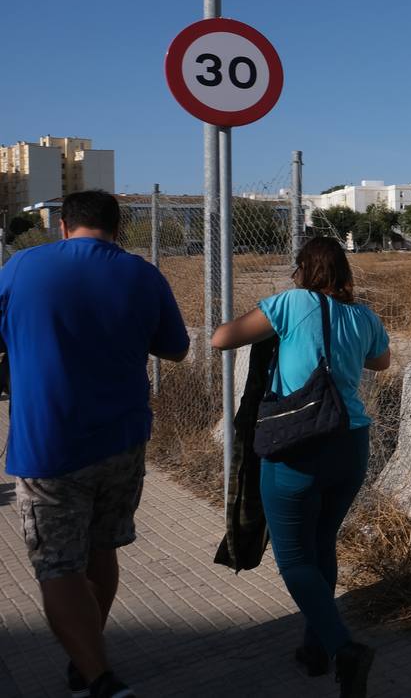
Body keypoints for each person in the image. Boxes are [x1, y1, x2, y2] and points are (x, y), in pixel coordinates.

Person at [0, 190, 190, 698]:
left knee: (58, 563)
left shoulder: (22, 267)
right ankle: (85, 657)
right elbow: (175, 348)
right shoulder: (142, 275)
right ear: (118, 228)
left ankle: (100, 678)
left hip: (50, 445)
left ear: (63, 226)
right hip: (123, 441)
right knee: (102, 548)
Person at [212, 236, 390, 698]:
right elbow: (382, 362)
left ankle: (343, 648)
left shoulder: (291, 303)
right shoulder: (364, 315)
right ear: (344, 271)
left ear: (302, 270)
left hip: (298, 444)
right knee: (321, 543)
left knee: (293, 558)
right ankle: (316, 651)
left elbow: (220, 339)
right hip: (351, 446)